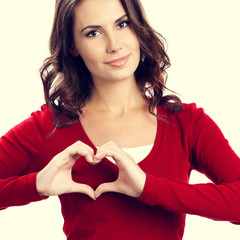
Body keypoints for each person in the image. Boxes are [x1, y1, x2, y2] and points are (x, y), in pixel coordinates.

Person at [0, 0, 239, 239]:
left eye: (122, 24)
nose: (114, 45)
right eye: (93, 33)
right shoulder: (50, 127)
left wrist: (148, 188)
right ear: (73, 45)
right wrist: (35, 185)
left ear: (138, 28)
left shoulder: (186, 122)